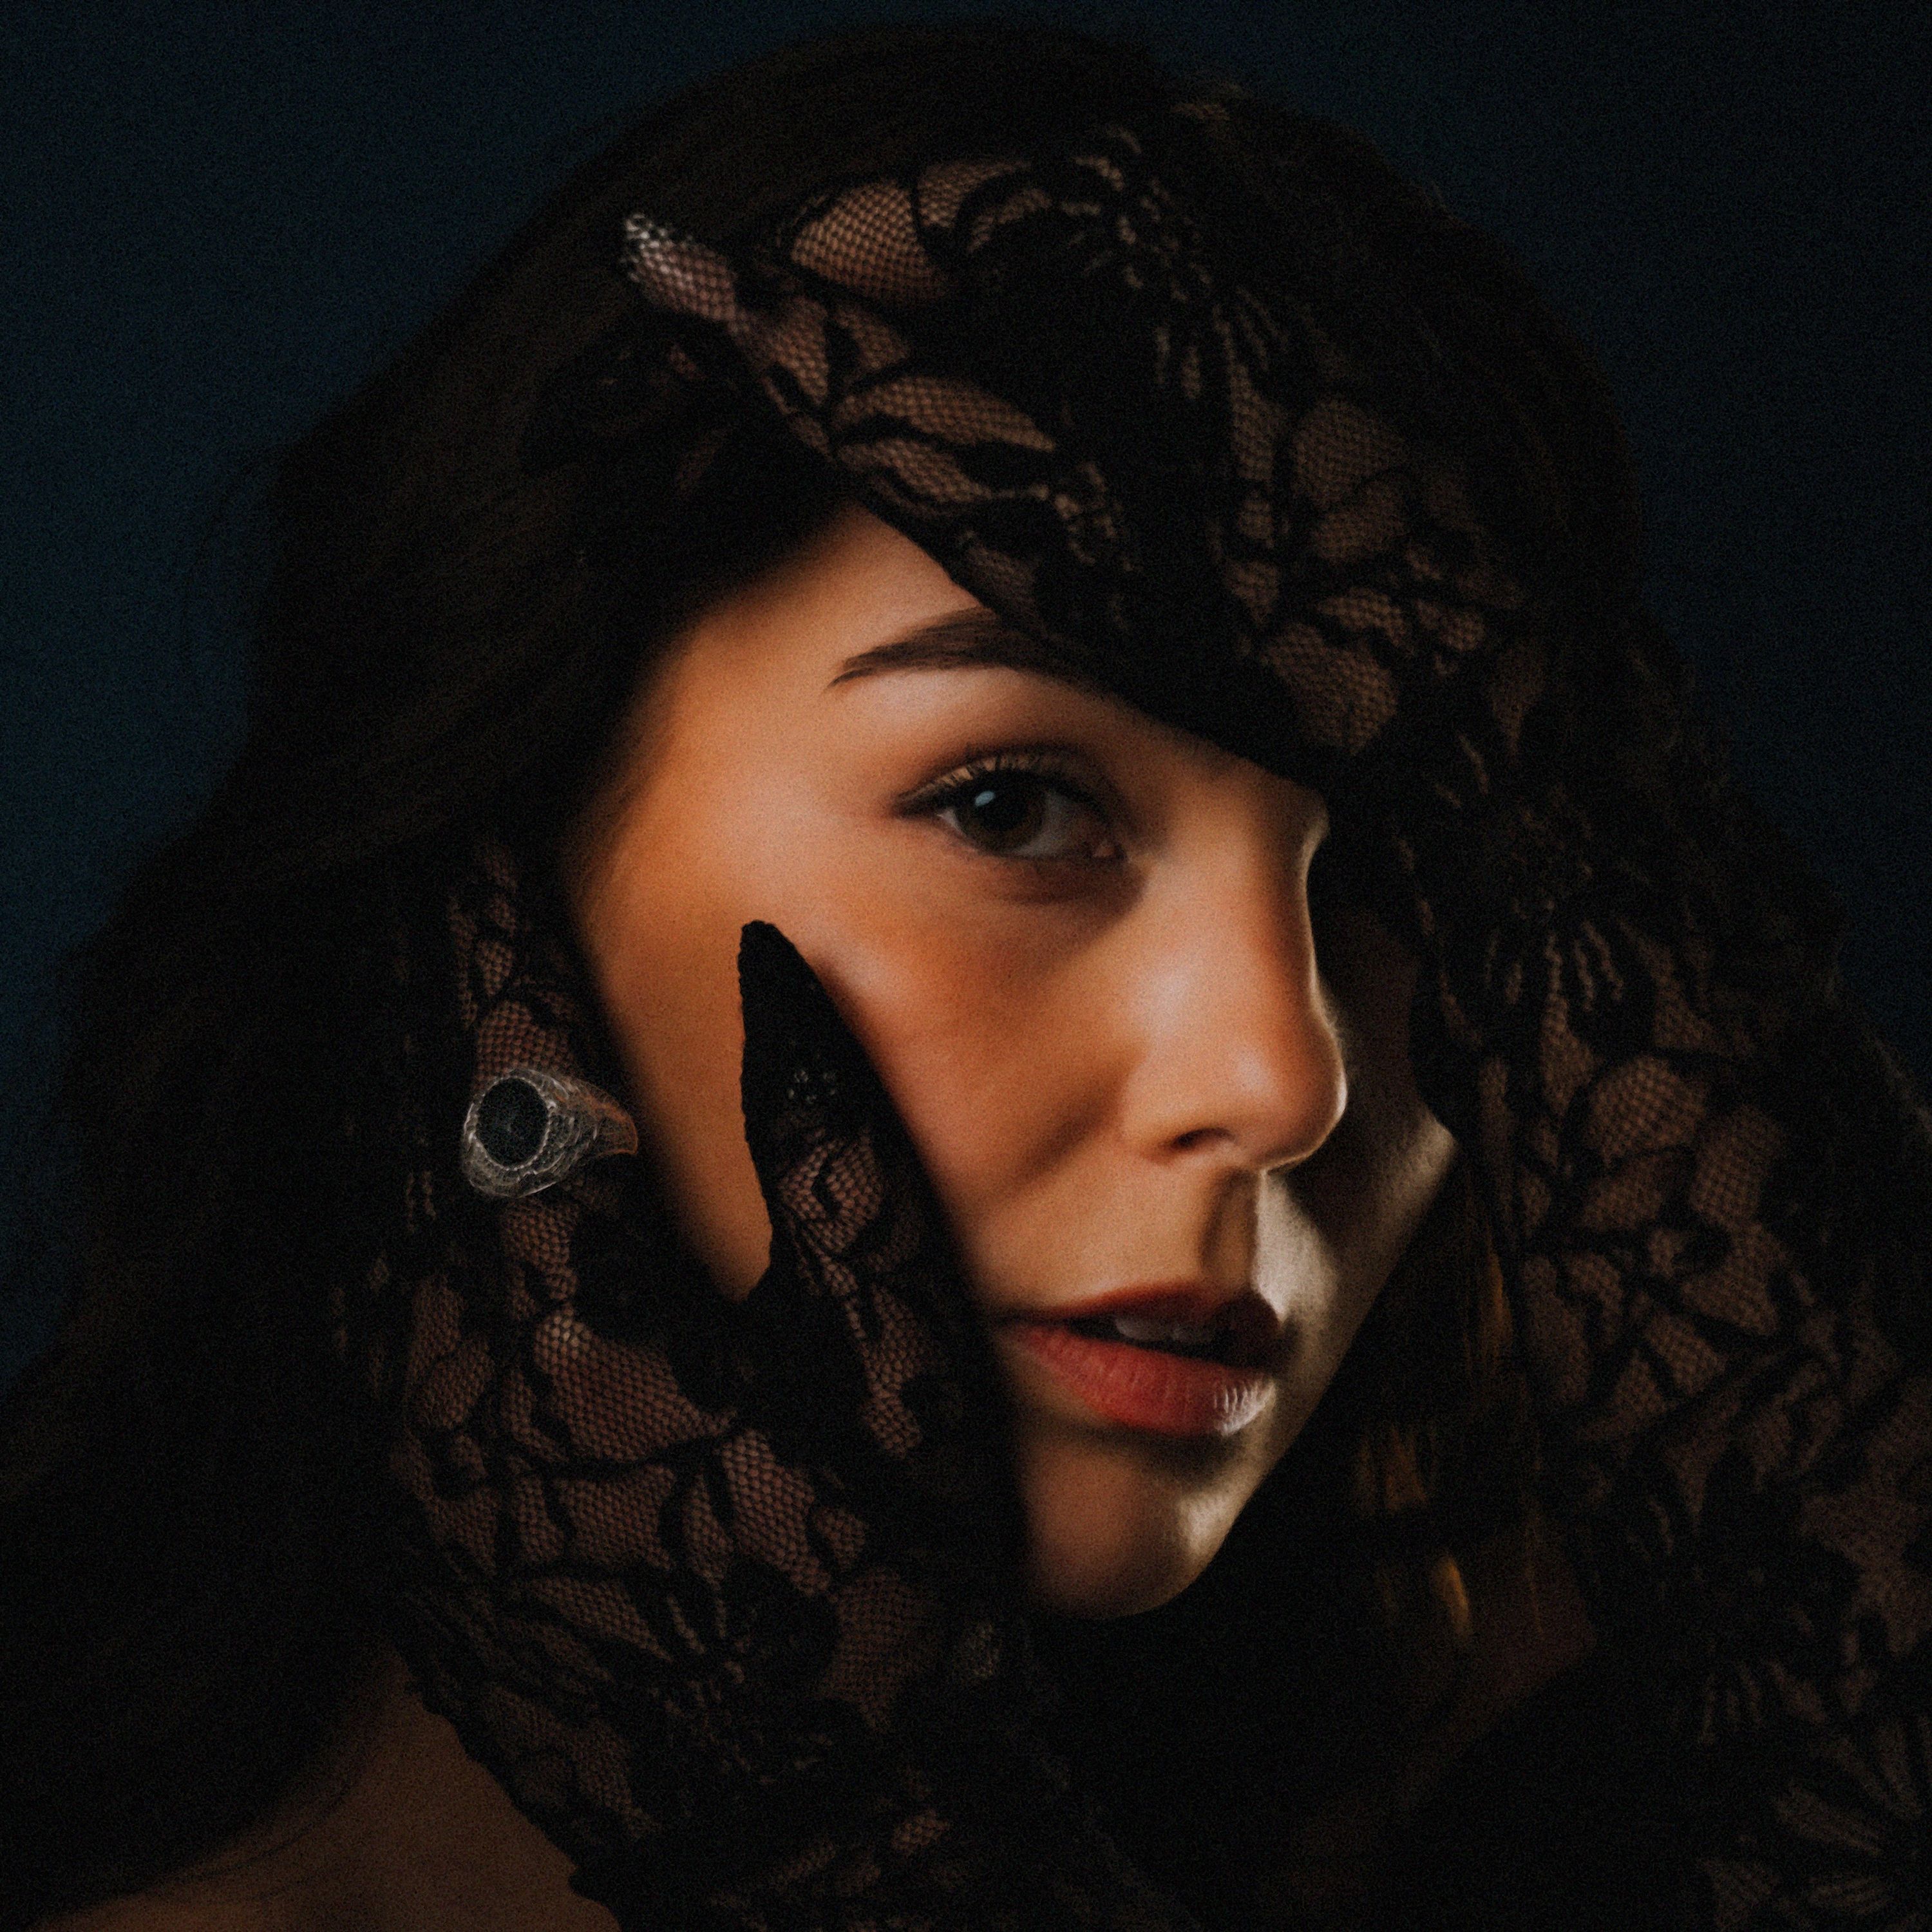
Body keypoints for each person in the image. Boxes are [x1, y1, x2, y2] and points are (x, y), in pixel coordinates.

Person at [2, 21, 1926, 1931]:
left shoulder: (1611, 1798)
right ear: (482, 867)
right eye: (1012, 808)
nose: (1287, 1079)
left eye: (1425, 870)